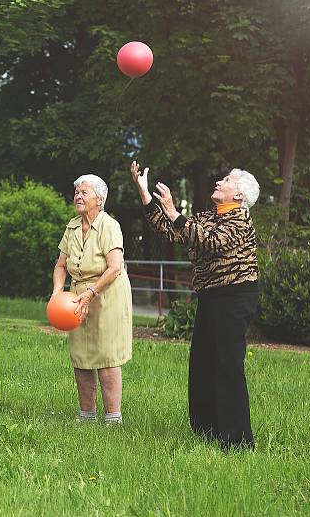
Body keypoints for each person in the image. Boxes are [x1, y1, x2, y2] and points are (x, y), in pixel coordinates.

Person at [131, 161, 260, 449]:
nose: (218, 181)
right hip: (211, 295)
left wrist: (175, 213)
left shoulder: (240, 219)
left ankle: (237, 441)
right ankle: (207, 431)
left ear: (239, 195)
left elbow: (210, 242)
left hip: (235, 295)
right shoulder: (210, 215)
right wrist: (146, 195)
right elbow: (175, 232)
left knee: (227, 365)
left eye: (226, 180)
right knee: (203, 363)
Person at [51, 175, 133, 425]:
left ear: (100, 198)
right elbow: (61, 265)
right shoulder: (72, 226)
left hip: (106, 294)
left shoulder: (110, 226)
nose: (78, 196)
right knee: (81, 355)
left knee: (106, 356)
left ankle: (113, 418)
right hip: (77, 297)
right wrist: (57, 293)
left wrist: (91, 293)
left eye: (84, 192)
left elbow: (114, 268)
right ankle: (86, 414)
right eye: (76, 191)